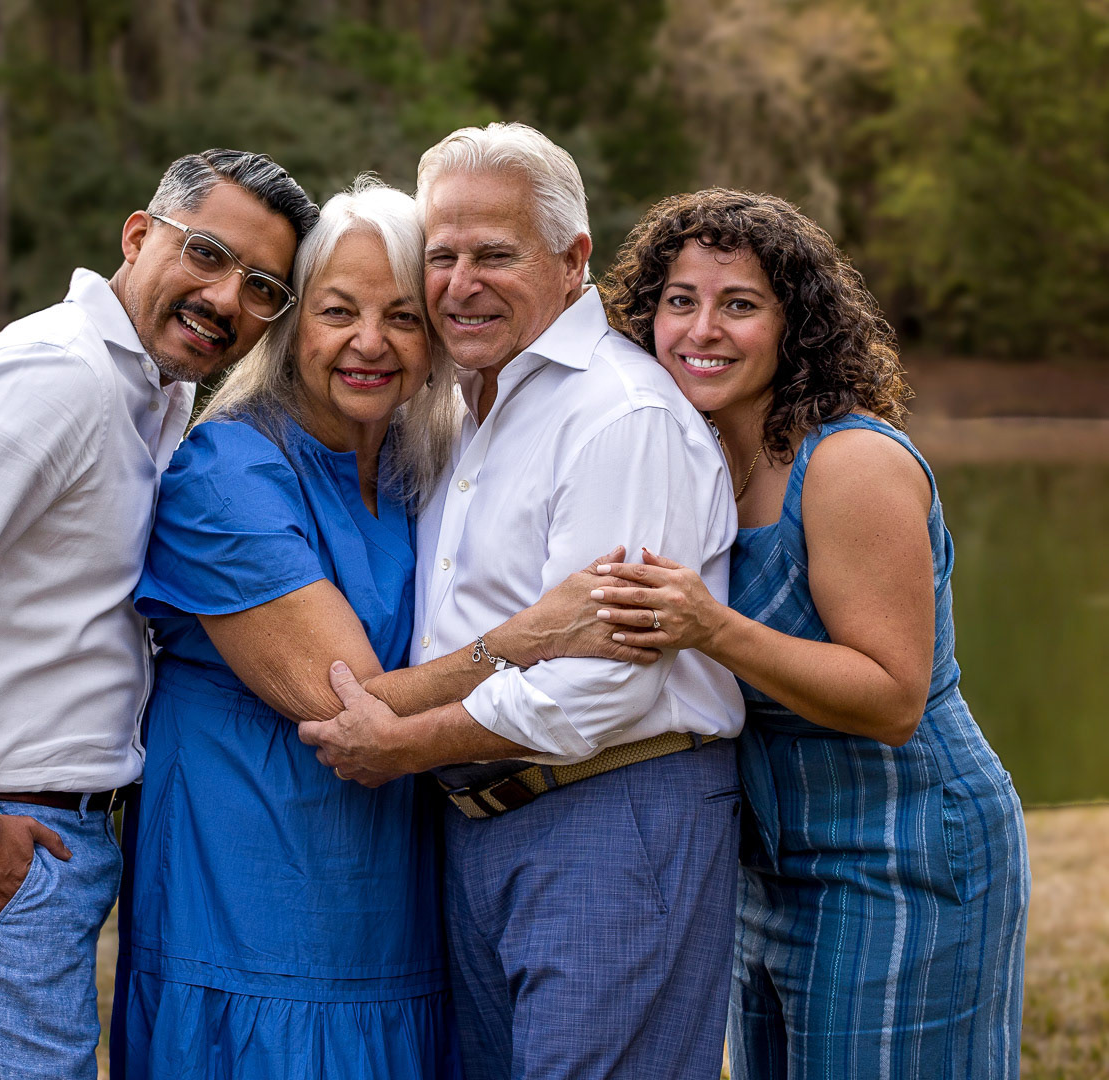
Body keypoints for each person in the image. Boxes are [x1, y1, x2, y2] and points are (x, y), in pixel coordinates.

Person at [117, 176, 654, 1079]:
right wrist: (530, 637)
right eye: (338, 312)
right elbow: (348, 702)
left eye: (403, 316)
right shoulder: (227, 472)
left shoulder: (424, 465)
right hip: (252, 885)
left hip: (399, 884)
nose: (370, 344)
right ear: (292, 327)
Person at [0, 148, 318, 1080]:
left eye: (262, 286)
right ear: (139, 236)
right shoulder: (58, 375)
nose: (226, 298)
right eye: (208, 255)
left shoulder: (154, 389)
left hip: (54, 824)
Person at [297, 125, 747, 1080]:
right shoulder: (463, 405)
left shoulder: (621, 417)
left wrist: (406, 744)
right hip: (481, 824)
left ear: (573, 257)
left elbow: (606, 684)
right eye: (443, 256)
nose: (462, 281)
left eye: (495, 254)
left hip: (613, 814)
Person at [595, 188, 1031, 1079]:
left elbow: (893, 696)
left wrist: (710, 627)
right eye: (680, 300)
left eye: (740, 304)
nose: (701, 328)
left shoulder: (849, 463)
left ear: (796, 327)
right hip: (772, 865)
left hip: (907, 848)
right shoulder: (693, 454)